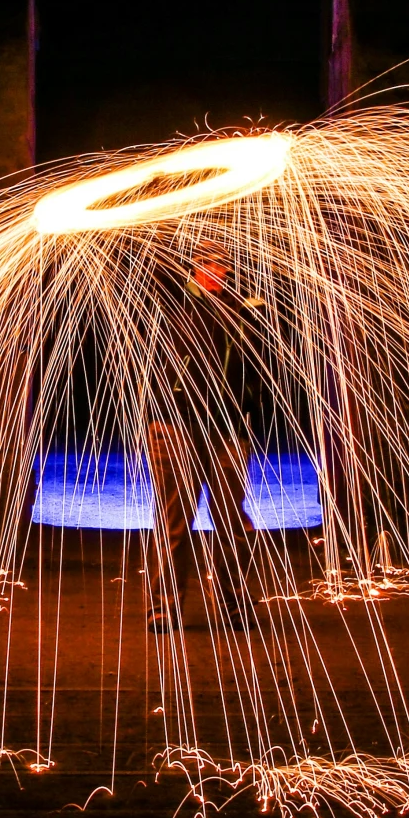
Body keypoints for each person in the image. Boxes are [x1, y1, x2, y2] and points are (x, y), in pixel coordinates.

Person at [146, 243, 269, 632]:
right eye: (210, 263)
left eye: (225, 264)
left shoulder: (244, 309)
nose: (219, 271)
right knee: (174, 523)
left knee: (233, 521)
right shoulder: (172, 299)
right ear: (195, 266)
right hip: (174, 426)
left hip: (227, 428)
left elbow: (257, 365)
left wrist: (249, 409)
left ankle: (232, 602)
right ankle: (164, 607)